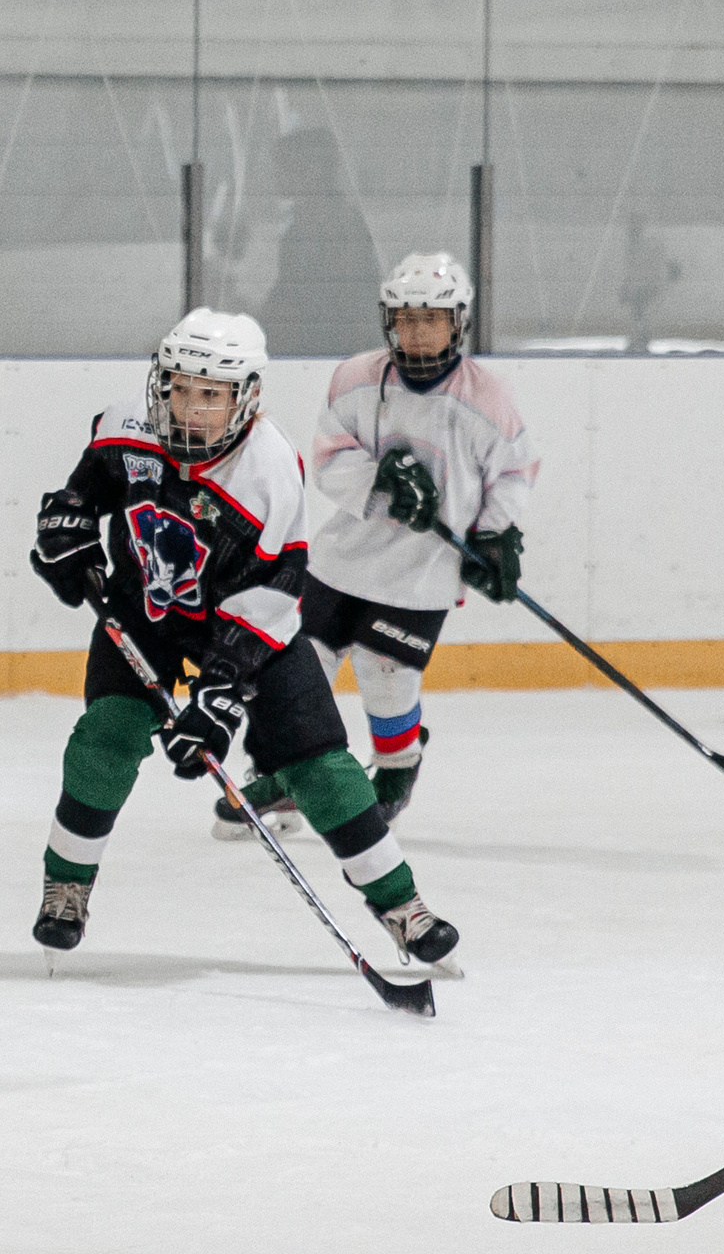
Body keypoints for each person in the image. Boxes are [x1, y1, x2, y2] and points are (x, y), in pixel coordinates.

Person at [28, 307, 461, 971]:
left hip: (249, 625)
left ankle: (401, 904)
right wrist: (69, 534)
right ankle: (67, 885)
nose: (190, 408)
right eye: (177, 387)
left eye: (210, 394)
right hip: (147, 608)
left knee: (321, 766)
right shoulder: (127, 429)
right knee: (106, 736)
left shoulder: (268, 472)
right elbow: (86, 492)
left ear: (246, 398)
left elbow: (273, 590)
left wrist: (219, 694)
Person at [218, 252, 537, 834]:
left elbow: (513, 472)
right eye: (406, 318)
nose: (417, 331)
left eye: (432, 319)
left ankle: (396, 769)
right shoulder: (357, 376)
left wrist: (493, 538)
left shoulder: (487, 398)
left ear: (457, 322)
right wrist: (382, 483)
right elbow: (330, 456)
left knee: (387, 674)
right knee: (299, 667)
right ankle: (291, 773)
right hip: (341, 560)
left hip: (422, 572)